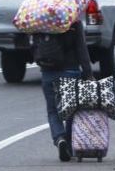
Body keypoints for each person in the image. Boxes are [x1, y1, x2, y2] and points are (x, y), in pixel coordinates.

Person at [37, 20, 93, 162]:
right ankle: (68, 144)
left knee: (52, 111)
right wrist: (88, 73)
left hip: (47, 72)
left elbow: (34, 46)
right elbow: (81, 49)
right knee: (71, 110)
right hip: (70, 70)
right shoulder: (73, 21)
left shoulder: (41, 20)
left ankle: (60, 138)